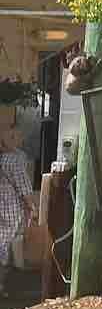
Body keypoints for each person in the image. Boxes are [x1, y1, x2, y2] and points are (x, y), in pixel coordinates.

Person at [0, 122, 36, 285]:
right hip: (9, 210)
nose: (18, 139)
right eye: (13, 136)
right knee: (3, 248)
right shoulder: (15, 160)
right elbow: (24, 188)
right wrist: (33, 208)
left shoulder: (15, 156)